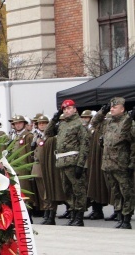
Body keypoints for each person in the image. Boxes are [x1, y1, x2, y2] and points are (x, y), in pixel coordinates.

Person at [44, 99, 89, 226]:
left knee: (78, 190)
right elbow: (48, 133)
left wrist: (81, 164)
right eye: (64, 109)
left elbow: (84, 145)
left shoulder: (80, 124)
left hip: (74, 162)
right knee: (68, 191)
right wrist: (54, 119)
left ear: (75, 109)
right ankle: (72, 214)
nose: (67, 111)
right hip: (62, 162)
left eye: (69, 108)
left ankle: (79, 217)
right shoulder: (63, 124)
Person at [93, 97, 135, 229]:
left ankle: (127, 218)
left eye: (114, 107)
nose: (111, 109)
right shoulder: (108, 122)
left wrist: (132, 163)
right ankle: (120, 216)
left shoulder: (129, 123)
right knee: (116, 192)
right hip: (108, 164)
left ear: (122, 109)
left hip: (122, 164)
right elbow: (94, 123)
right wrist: (102, 111)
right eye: (110, 107)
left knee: (126, 192)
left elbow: (133, 144)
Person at [84, 110, 110, 220]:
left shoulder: (105, 129)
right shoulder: (93, 128)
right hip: (92, 160)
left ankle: (119, 213)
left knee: (106, 187)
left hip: (102, 160)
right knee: (93, 186)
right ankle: (96, 210)